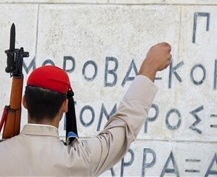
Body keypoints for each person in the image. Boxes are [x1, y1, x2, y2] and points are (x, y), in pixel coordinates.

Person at [0, 42, 171, 176]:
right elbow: (124, 125)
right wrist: (150, 66)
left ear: (24, 102)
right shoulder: (80, 159)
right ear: (65, 105)